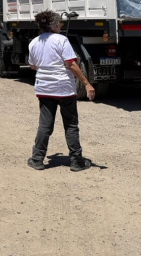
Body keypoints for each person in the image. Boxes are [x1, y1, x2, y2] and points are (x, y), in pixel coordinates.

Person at [27, 10, 95, 172]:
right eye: (60, 23)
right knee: (71, 125)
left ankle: (37, 159)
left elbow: (33, 66)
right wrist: (86, 83)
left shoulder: (34, 42)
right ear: (55, 25)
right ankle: (76, 161)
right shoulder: (62, 40)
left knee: (45, 125)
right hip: (64, 89)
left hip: (44, 89)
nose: (61, 26)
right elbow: (71, 64)